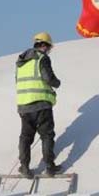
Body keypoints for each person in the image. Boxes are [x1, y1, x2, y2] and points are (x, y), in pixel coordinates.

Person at [15, 32, 62, 177]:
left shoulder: (21, 62)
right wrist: (57, 83)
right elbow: (49, 78)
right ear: (45, 46)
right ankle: (49, 167)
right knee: (47, 135)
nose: (49, 51)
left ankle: (24, 167)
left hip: (23, 105)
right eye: (49, 48)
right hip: (41, 105)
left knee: (26, 137)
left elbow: (18, 81)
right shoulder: (42, 59)